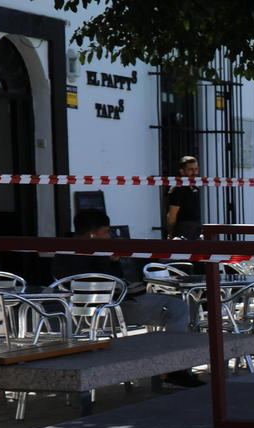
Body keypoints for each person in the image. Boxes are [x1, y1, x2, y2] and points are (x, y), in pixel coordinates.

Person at [52, 207, 203, 387]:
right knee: (179, 307)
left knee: (175, 308)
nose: (109, 236)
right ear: (92, 235)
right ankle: (176, 369)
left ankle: (173, 366)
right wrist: (113, 263)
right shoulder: (96, 251)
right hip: (113, 310)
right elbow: (111, 284)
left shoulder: (61, 252)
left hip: (76, 317)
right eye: (105, 232)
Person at [164, 156, 203, 240]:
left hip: (197, 231)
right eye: (191, 169)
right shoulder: (178, 188)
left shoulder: (195, 187)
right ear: (182, 171)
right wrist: (171, 233)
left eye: (196, 169)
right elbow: (172, 215)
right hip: (183, 232)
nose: (194, 172)